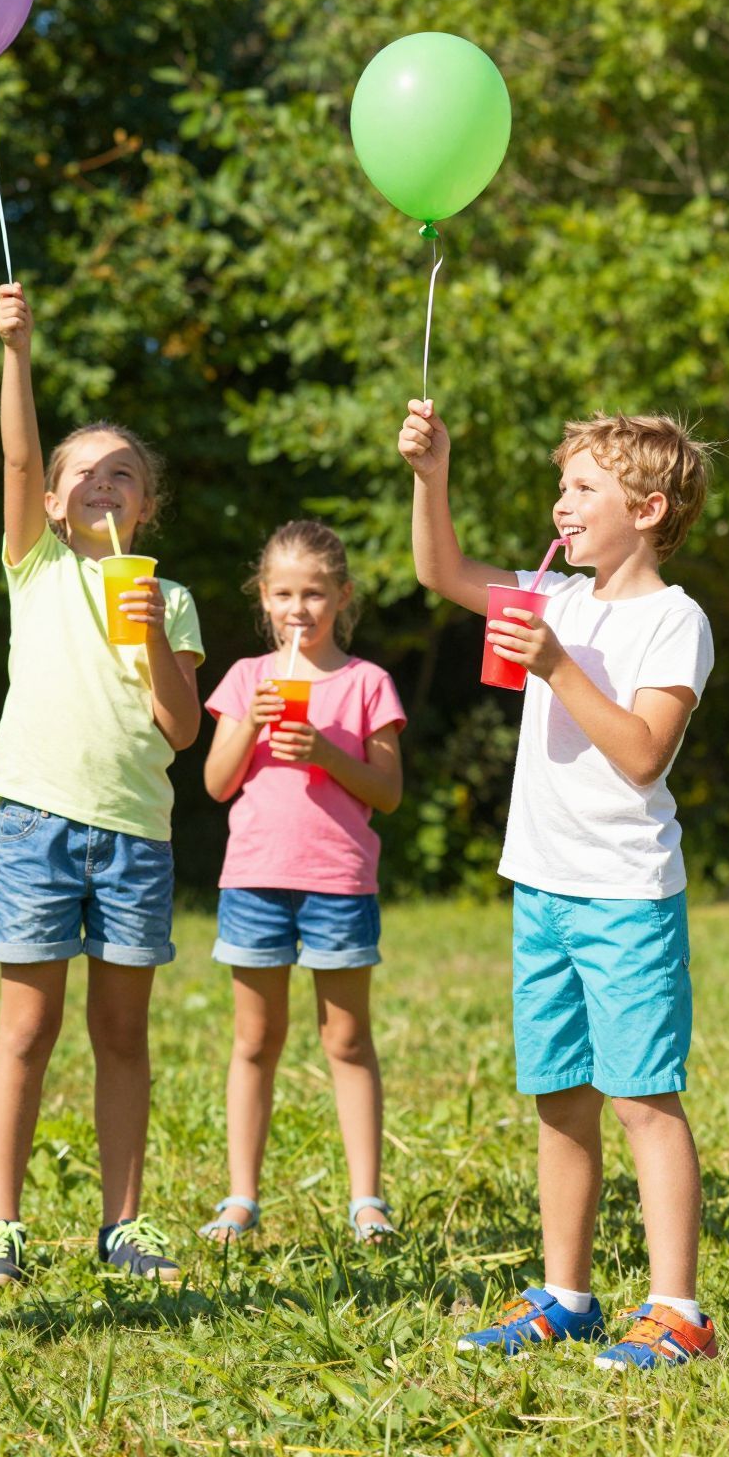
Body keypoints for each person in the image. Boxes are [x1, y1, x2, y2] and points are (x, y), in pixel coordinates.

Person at [399, 399, 715, 1370]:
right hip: (541, 886)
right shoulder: (557, 599)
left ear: (650, 507)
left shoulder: (673, 621)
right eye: (562, 485)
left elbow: (644, 754)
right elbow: (439, 571)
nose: (560, 504)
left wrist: (561, 666)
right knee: (561, 1093)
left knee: (642, 1097)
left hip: (624, 894)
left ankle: (679, 1313)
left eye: (584, 487)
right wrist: (431, 474)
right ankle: (565, 1295)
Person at [0, 281, 203, 1290]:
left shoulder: (173, 595)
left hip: (136, 835)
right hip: (36, 824)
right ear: (54, 501)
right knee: (26, 1026)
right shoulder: (38, 570)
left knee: (122, 1033)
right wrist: (15, 352)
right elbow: (18, 453)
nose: (104, 484)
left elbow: (182, 727)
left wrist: (149, 625)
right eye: (85, 474)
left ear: (146, 503)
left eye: (125, 474)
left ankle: (125, 1221)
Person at [198, 521, 405, 1248]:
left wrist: (325, 750)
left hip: (339, 883)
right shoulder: (247, 680)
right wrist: (249, 728)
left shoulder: (366, 685)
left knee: (347, 1039)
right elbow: (216, 784)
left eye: (315, 593)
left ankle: (367, 1199)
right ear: (263, 597)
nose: (299, 609)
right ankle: (241, 1197)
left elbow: (386, 792)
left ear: (342, 596)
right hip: (255, 880)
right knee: (256, 1040)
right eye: (284, 593)